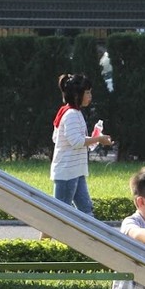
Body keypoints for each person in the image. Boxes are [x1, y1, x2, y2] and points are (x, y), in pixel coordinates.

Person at [49, 73, 112, 217]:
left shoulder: (71, 112)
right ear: (77, 95)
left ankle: (93, 239)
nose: (90, 96)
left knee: (86, 210)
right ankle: (43, 240)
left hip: (75, 170)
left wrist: (96, 138)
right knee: (58, 214)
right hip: (67, 172)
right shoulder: (71, 114)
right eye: (87, 92)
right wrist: (98, 139)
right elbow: (77, 142)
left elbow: (64, 138)